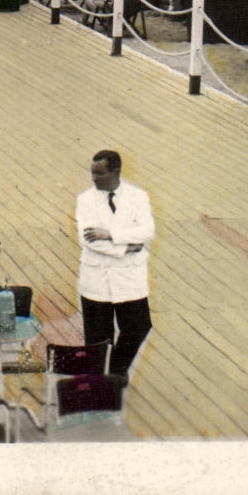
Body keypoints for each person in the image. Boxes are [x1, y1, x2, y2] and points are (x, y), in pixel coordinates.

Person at [76, 149, 155, 379]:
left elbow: (146, 231)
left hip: (129, 278)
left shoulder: (138, 197)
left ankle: (117, 371)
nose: (94, 178)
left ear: (116, 172)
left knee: (138, 327)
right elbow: (89, 240)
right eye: (92, 173)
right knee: (99, 338)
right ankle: (99, 385)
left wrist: (109, 234)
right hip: (97, 279)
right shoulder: (85, 200)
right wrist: (125, 246)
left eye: (99, 174)